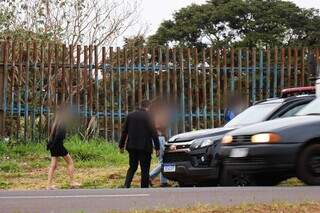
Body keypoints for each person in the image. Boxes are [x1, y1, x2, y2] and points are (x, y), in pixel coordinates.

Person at [119, 100, 160, 188]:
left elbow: (124, 131)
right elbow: (154, 133)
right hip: (145, 147)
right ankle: (144, 187)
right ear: (148, 107)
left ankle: (126, 184)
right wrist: (157, 148)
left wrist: (121, 145)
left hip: (132, 146)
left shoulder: (130, 115)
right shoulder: (149, 116)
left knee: (132, 167)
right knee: (145, 169)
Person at [47, 106, 80, 190]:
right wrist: (56, 146)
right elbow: (59, 137)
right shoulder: (62, 124)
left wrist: (50, 146)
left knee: (53, 166)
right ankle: (72, 182)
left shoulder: (54, 123)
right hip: (58, 146)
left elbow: (51, 137)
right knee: (70, 162)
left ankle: (49, 185)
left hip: (52, 146)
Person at [149, 99, 170, 187]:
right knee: (164, 160)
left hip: (159, 137)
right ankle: (150, 176)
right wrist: (164, 123)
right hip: (159, 137)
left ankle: (164, 182)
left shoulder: (153, 114)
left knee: (163, 159)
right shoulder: (158, 114)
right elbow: (157, 125)